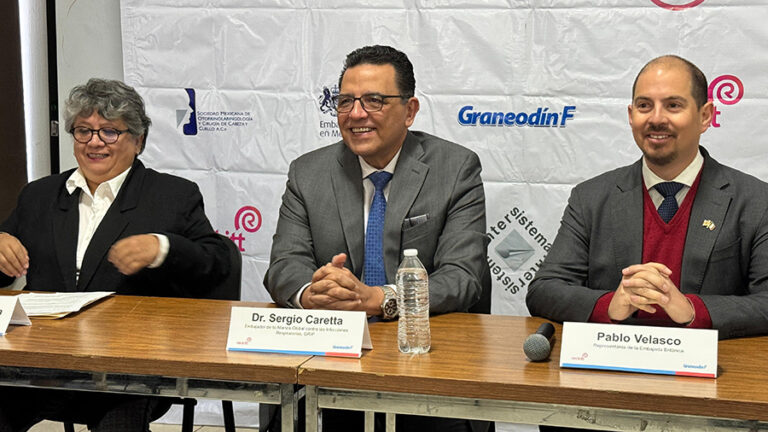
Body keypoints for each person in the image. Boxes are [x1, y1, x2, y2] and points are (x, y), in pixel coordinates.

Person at [263, 45, 492, 432]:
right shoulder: (308, 172)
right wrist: (313, 294)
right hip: (334, 360)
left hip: (426, 361)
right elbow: (285, 265)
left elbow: (462, 276)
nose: (356, 114)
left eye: (374, 101)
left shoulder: (455, 168)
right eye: (345, 101)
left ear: (410, 110)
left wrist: (379, 298)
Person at [0, 78, 231, 432]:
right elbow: (5, 271)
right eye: (83, 131)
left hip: (130, 373)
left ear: (138, 141)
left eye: (109, 132)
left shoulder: (172, 196)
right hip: (40, 366)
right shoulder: (39, 196)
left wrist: (163, 247)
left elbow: (217, 263)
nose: (94, 142)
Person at [527, 55, 768, 343]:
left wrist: (693, 309)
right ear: (631, 116)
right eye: (644, 106)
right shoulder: (590, 198)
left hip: (717, 367)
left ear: (705, 116)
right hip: (612, 363)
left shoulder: (756, 201)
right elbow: (544, 289)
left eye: (673, 105)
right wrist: (610, 305)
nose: (656, 119)